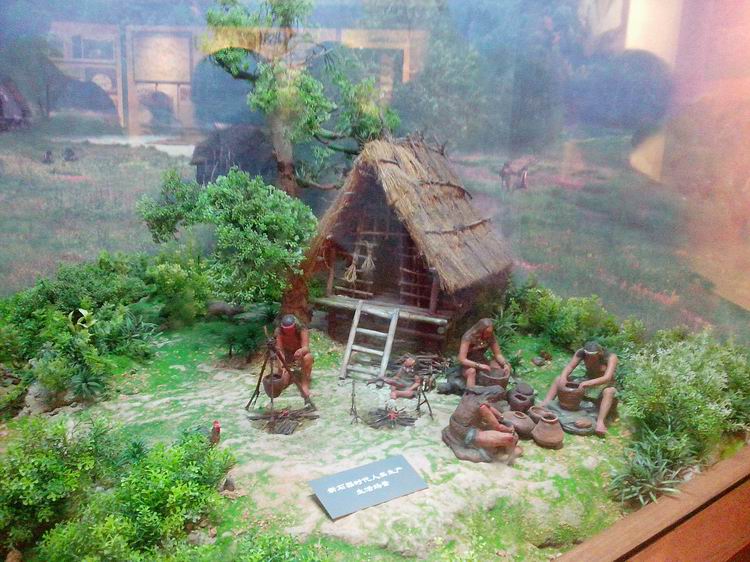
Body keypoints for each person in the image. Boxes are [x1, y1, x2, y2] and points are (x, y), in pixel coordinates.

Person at [540, 341, 618, 436]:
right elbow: (570, 366)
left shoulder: (610, 357)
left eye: (592, 356)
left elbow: (607, 378)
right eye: (587, 356)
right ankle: (546, 403)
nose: (589, 358)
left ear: (599, 353)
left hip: (604, 384)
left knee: (609, 391)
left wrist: (586, 384)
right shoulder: (581, 352)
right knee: (559, 379)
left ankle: (600, 422)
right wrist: (564, 378)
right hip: (588, 379)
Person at [442, 385, 522, 463]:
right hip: (467, 434)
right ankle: (508, 457)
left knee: (488, 428)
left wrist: (501, 418)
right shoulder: (482, 406)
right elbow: (497, 427)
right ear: (494, 397)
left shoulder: (472, 394)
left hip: (454, 425)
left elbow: (490, 408)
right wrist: (509, 429)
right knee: (510, 438)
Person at [458, 318, 511, 389]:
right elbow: (462, 359)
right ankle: (471, 392)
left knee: (501, 367)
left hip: (481, 360)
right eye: (487, 332)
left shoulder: (490, 337)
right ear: (480, 330)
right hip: (468, 363)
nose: (489, 334)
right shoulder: (468, 337)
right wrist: (479, 366)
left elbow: (498, 354)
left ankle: (499, 391)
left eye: (490, 332)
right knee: (472, 371)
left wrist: (505, 364)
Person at [274, 314, 314, 407]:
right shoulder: (279, 332)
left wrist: (301, 351)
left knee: (308, 358)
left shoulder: (302, 330)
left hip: (299, 355)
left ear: (295, 326)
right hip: (287, 357)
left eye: (290, 330)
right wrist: (283, 365)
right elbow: (280, 350)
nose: (288, 332)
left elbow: (306, 348)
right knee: (283, 383)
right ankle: (287, 375)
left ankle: (304, 384)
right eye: (286, 330)